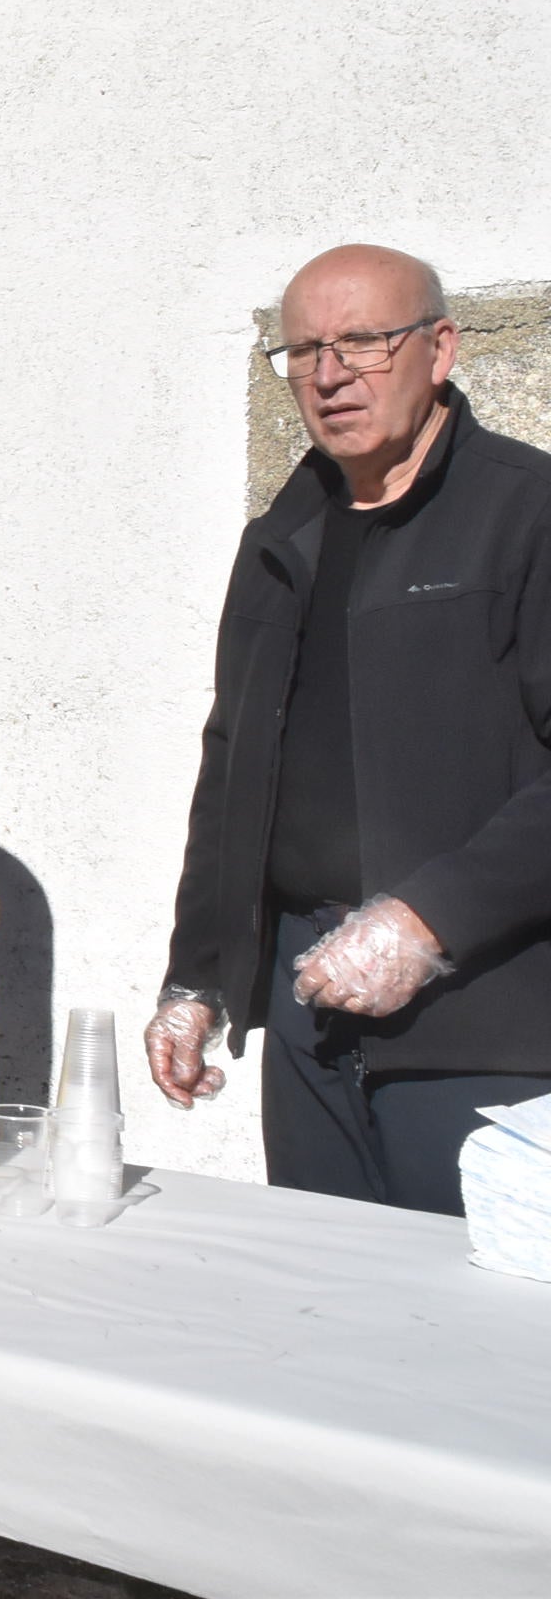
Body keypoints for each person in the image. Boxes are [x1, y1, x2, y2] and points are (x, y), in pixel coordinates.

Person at [148, 245, 551, 1210]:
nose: (330, 376)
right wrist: (199, 977)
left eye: (364, 343)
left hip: (485, 1023)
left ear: (441, 348)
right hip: (309, 1015)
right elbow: (233, 763)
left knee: (474, 1333)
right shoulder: (282, 536)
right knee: (329, 1312)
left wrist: (427, 920)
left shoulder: (527, 512)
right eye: (304, 351)